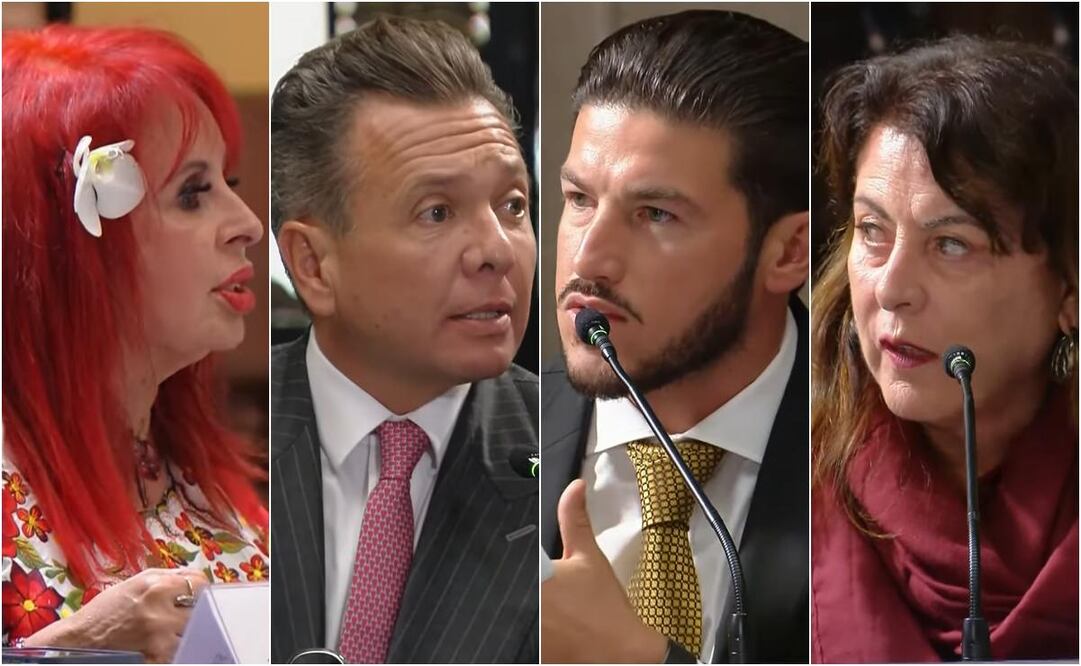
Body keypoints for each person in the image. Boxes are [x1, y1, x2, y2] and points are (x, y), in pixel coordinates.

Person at [541, 10, 809, 664]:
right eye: (578, 200)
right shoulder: (472, 433)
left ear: (788, 251)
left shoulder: (892, 457)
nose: (588, 261)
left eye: (654, 214)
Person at [269, 15, 538, 664]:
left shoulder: (576, 456)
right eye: (436, 212)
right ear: (313, 265)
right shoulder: (216, 448)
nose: (496, 252)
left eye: (512, 205)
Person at [2, 25, 268, 663]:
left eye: (228, 183)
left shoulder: (216, 491)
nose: (247, 225)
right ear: (78, 247)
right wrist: (70, 647)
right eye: (192, 193)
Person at [811, 36, 1078, 662]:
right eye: (872, 232)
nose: (892, 289)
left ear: (1068, 285)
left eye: (951, 244)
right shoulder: (784, 460)